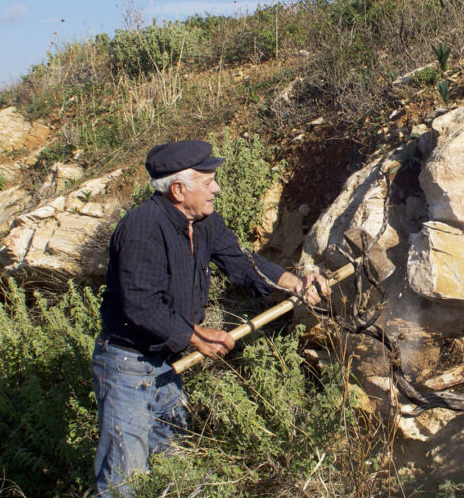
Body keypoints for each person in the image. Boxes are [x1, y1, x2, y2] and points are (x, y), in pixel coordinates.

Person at [92, 139, 329, 497]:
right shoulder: (142, 228)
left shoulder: (203, 221)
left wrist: (294, 283)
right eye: (207, 181)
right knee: (126, 481)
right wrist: (196, 335)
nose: (216, 188)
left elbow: (240, 260)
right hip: (128, 367)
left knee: (171, 467)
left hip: (168, 363)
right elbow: (141, 306)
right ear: (178, 189)